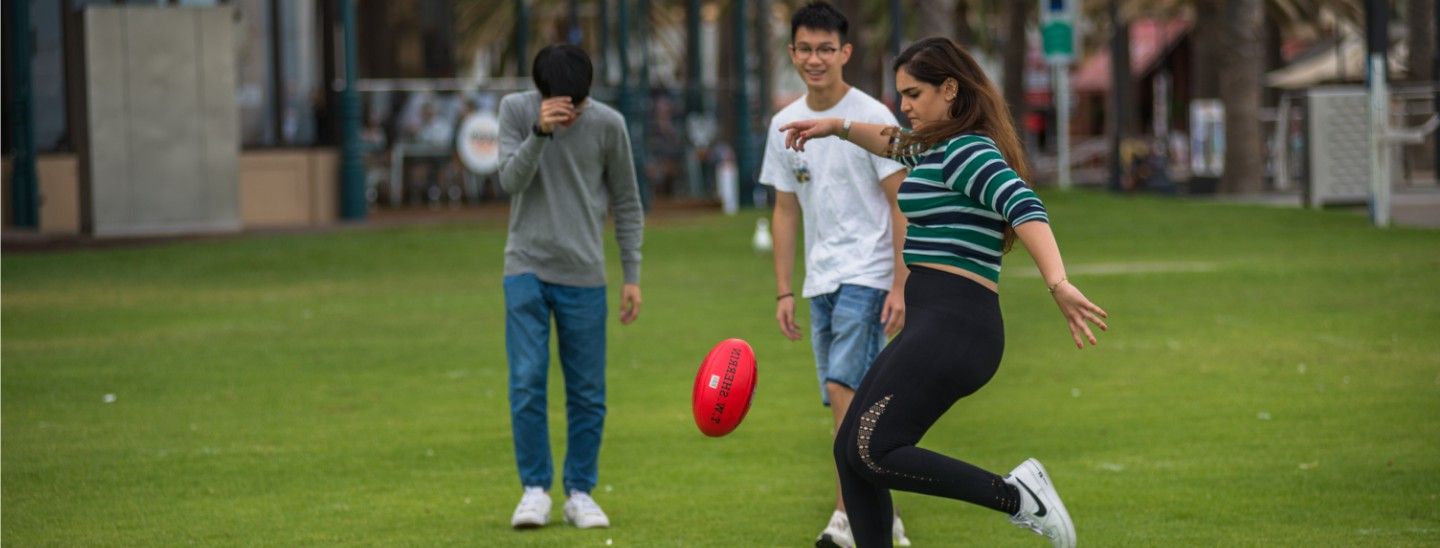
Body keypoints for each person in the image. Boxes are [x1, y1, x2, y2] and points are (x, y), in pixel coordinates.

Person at [779, 37, 1109, 548]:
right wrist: (837, 128)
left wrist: (1059, 284)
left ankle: (1018, 496)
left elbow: (1024, 205)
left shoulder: (967, 150)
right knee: (851, 448)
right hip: (936, 323)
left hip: (959, 326)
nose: (903, 106)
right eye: (900, 95)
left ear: (950, 89)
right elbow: (889, 140)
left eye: (913, 94)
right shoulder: (932, 147)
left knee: (872, 449)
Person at [757, 3, 911, 547]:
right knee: (846, 400)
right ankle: (882, 515)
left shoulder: (873, 117)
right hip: (819, 280)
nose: (815, 59)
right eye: (806, 49)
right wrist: (783, 289)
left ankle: (847, 516)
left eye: (827, 49)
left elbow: (901, 205)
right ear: (792, 53)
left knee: (844, 388)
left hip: (867, 274)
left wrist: (899, 283)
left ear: (845, 53)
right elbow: (784, 209)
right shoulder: (783, 123)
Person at [496, 43, 644, 531]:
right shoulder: (516, 111)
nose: (573, 113)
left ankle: (579, 491)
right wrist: (541, 131)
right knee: (526, 381)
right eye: (564, 103)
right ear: (542, 93)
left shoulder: (608, 124)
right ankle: (534, 489)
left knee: (587, 392)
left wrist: (632, 276)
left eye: (578, 104)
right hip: (525, 267)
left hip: (584, 273)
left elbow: (626, 202)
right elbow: (509, 182)